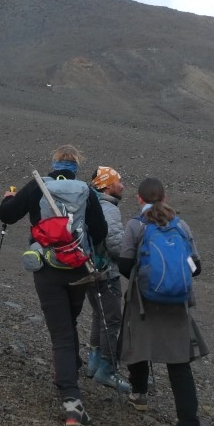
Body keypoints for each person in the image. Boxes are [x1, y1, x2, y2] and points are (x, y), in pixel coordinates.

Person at [0, 145, 108, 426]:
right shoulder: (85, 190)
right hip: (77, 268)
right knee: (69, 323)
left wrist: (8, 199)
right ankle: (69, 375)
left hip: (46, 268)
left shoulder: (38, 186)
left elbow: (8, 215)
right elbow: (101, 231)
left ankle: (71, 401)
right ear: (76, 166)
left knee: (60, 332)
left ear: (53, 164)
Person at [118, 176, 209, 426]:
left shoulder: (136, 226)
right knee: (179, 364)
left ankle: (139, 394)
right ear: (165, 197)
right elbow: (196, 267)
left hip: (144, 302)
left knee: (139, 345)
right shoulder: (181, 226)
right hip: (177, 305)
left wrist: (145, 280)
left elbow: (124, 263)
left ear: (139, 199)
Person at [83, 166, 130, 393]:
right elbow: (115, 243)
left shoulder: (89, 203)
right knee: (111, 320)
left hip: (88, 270)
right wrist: (131, 256)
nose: (122, 185)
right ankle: (106, 370)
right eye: (118, 181)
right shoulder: (108, 208)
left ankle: (93, 363)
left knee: (98, 315)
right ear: (108, 185)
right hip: (106, 273)